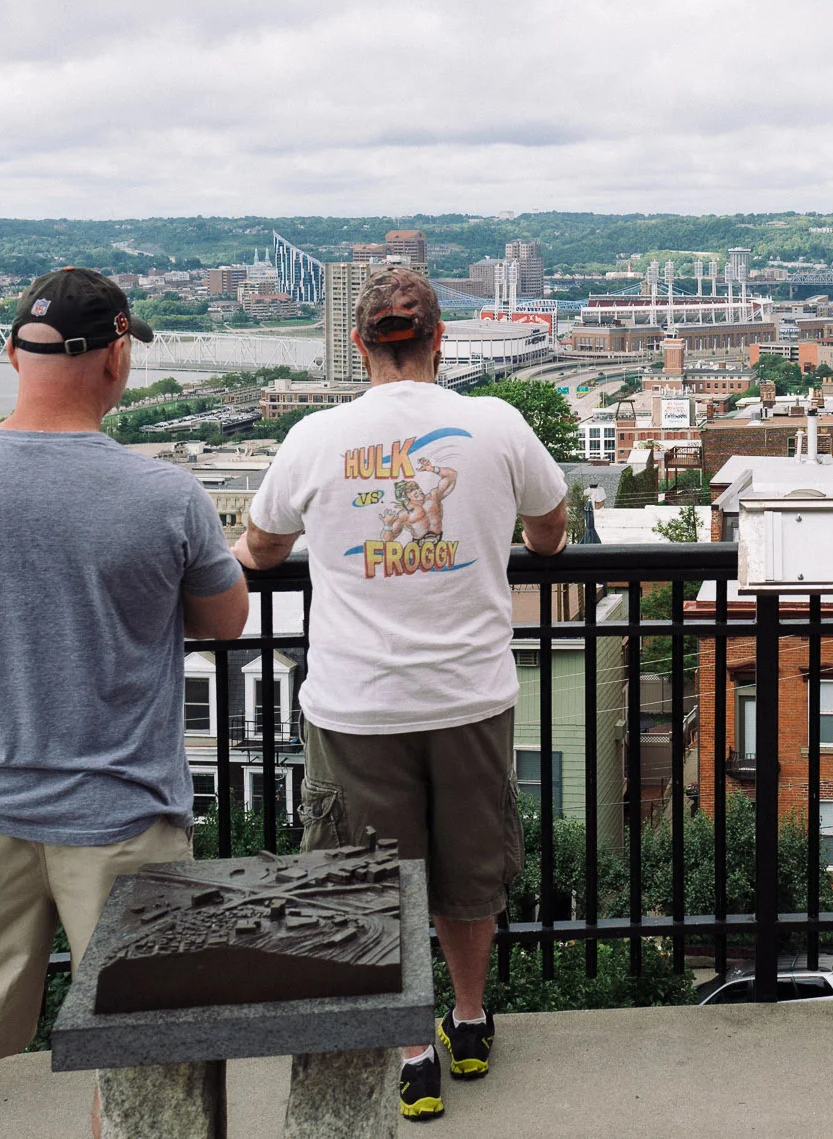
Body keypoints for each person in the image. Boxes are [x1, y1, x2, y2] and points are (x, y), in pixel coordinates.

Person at [0, 270, 249, 1139]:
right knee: (145, 1050)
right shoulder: (166, 495)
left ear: (11, 354)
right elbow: (224, 621)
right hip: (125, 812)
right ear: (117, 357)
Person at [233, 267, 569, 1124]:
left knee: (371, 878)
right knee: (471, 867)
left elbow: (262, 550)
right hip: (471, 692)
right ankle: (468, 1017)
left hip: (357, 702)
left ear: (358, 344)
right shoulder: (496, 423)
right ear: (440, 338)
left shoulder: (316, 435)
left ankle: (412, 1052)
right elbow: (553, 532)